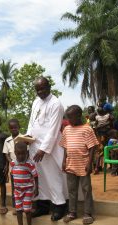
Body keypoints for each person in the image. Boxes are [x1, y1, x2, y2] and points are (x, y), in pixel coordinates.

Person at [26, 77, 67, 221]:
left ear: (49, 86)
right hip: (34, 146)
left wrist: (43, 149)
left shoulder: (56, 103)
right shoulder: (36, 102)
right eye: (37, 89)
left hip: (50, 148)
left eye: (43, 88)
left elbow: (54, 130)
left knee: (52, 176)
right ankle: (42, 207)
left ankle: (59, 206)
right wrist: (27, 137)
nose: (40, 92)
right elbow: (31, 123)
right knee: (39, 177)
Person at [60, 105, 99, 225]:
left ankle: (88, 213)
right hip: (71, 164)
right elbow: (66, 146)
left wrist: (89, 163)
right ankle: (72, 212)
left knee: (86, 189)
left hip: (83, 164)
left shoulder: (87, 129)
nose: (69, 120)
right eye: (68, 118)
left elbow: (92, 147)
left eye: (71, 118)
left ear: (79, 116)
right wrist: (64, 160)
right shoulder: (67, 129)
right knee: (72, 190)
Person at [11, 141, 38, 225]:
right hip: (17, 191)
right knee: (18, 210)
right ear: (15, 153)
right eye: (18, 154)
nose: (21, 156)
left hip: (27, 190)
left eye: (23, 154)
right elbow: (12, 176)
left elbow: (35, 176)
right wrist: (13, 189)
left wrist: (36, 188)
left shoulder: (29, 164)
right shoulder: (12, 163)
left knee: (27, 210)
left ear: (27, 153)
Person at [3, 118, 22, 215]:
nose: (14, 129)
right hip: (13, 169)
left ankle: (26, 205)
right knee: (15, 188)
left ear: (19, 127)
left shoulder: (24, 138)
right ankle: (17, 207)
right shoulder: (7, 140)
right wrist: (10, 161)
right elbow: (6, 154)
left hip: (24, 169)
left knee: (25, 187)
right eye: (11, 128)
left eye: (15, 127)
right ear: (9, 129)